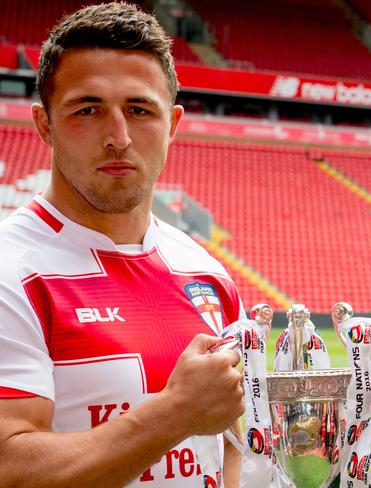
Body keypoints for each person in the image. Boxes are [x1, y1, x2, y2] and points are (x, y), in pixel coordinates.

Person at [0, 3, 245, 486]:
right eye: (88, 109)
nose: (119, 136)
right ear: (44, 124)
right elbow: (8, 466)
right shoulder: (11, 270)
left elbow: (230, 445)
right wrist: (174, 413)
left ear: (172, 124)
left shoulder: (208, 275)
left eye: (139, 110)